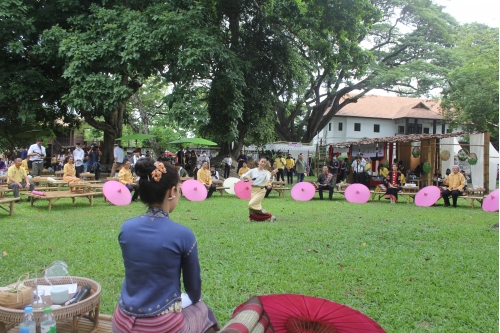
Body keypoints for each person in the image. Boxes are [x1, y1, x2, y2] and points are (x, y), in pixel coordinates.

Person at [112, 159, 219, 333]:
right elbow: (193, 291)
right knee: (204, 311)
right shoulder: (183, 234)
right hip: (162, 326)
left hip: (121, 321)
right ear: (172, 192)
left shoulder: (126, 228)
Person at [240, 157, 278, 222]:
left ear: (265, 164)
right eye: (262, 161)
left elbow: (270, 180)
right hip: (253, 190)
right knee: (256, 205)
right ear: (258, 162)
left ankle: (270, 215)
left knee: (251, 204)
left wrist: (272, 175)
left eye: (264, 162)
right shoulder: (253, 170)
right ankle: (251, 217)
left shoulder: (266, 173)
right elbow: (242, 177)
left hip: (261, 191)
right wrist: (247, 177)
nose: (263, 163)